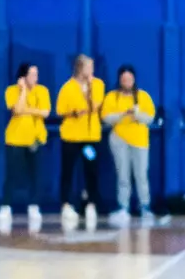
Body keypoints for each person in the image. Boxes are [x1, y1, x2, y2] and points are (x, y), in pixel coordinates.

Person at [101, 65, 156, 227]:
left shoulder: (143, 96)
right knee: (123, 175)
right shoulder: (112, 97)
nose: (127, 82)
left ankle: (144, 207)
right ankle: (123, 207)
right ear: (120, 80)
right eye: (124, 79)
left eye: (129, 79)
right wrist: (123, 114)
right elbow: (105, 117)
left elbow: (150, 118)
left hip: (140, 141)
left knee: (141, 175)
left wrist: (136, 114)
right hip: (119, 140)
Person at [0, 63, 50, 231]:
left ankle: (34, 206)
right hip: (15, 138)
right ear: (23, 76)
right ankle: (5, 206)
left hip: (35, 138)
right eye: (32, 74)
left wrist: (28, 110)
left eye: (37, 74)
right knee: (12, 174)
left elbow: (45, 112)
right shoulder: (12, 90)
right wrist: (23, 91)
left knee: (35, 174)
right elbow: (17, 110)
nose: (35, 78)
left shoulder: (43, 90)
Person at [55, 53, 105, 230]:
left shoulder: (97, 84)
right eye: (88, 67)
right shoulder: (67, 88)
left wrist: (89, 88)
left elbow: (96, 105)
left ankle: (91, 203)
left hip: (90, 138)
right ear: (79, 68)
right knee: (68, 171)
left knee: (91, 170)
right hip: (71, 137)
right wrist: (74, 112)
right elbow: (60, 110)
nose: (91, 70)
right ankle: (66, 204)